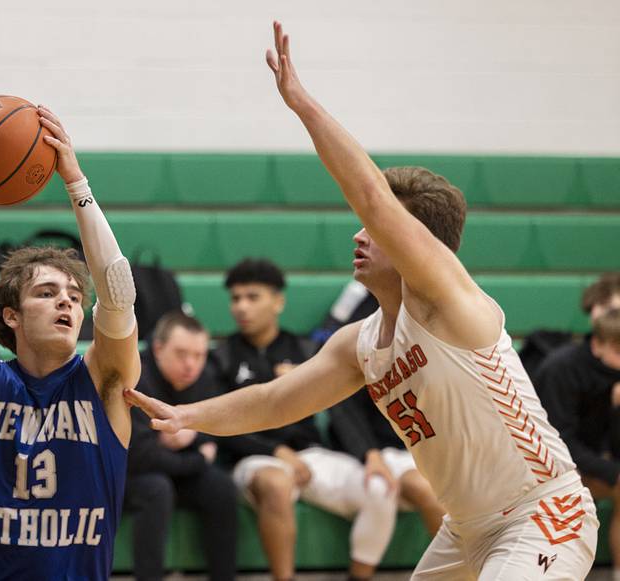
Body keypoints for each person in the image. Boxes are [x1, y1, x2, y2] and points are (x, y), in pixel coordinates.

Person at [125, 21, 599, 580]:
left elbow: (374, 200)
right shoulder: (363, 342)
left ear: (411, 239)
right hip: (466, 527)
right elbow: (276, 402)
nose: (359, 235)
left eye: (374, 230)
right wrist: (187, 415)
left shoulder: (448, 301)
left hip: (541, 514)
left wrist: (301, 104)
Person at [0, 106, 140, 580]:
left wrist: (76, 184)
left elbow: (119, 290)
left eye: (74, 295)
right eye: (47, 293)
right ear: (11, 316)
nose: (66, 301)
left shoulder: (104, 380)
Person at [213, 258, 400, 581]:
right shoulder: (222, 356)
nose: (241, 307)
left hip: (311, 454)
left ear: (278, 301)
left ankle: (360, 576)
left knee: (380, 486)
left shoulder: (307, 351)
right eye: (235, 298)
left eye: (252, 297)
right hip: (252, 459)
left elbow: (342, 408)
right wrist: (276, 452)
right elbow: (218, 422)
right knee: (276, 481)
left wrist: (369, 454)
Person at [125, 311, 237, 581]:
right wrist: (198, 458)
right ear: (158, 348)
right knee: (156, 488)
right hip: (130, 477)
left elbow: (215, 433)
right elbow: (139, 457)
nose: (191, 365)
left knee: (221, 486)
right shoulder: (134, 377)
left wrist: (192, 438)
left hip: (175, 469)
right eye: (182, 354)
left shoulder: (205, 378)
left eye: (198, 355)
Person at [537, 307, 620, 580]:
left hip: (591, 461)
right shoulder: (561, 369)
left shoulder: (613, 374)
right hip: (543, 469)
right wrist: (610, 471)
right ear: (597, 344)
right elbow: (558, 442)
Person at [327, 390, 445, 536]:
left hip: (423, 445)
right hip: (382, 451)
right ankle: (467, 558)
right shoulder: (360, 371)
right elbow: (343, 407)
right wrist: (370, 454)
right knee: (427, 490)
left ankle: (470, 555)